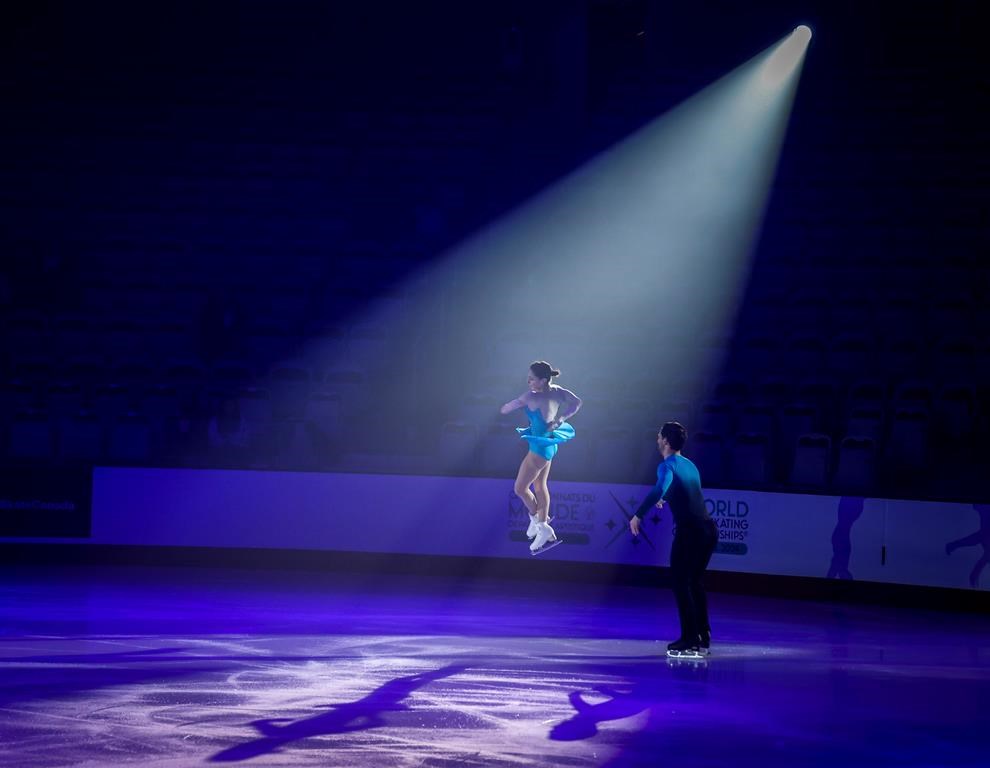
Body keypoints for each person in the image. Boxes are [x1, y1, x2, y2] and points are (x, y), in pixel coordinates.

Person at [630, 421, 717, 657]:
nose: (657, 440)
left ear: (666, 441)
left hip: (690, 532)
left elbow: (661, 487)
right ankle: (703, 634)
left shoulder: (666, 465)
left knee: (680, 582)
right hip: (709, 530)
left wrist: (638, 514)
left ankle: (689, 638)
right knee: (695, 581)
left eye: (659, 436)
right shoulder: (690, 465)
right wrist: (666, 498)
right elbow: (682, 490)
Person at [500, 361, 582, 554]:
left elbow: (506, 409)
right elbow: (577, 402)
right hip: (548, 446)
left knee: (520, 488)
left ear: (542, 380)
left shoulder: (530, 397)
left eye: (532, 378)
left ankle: (539, 523)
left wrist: (506, 406)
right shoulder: (557, 390)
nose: (528, 381)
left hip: (538, 450)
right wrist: (562, 418)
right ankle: (542, 524)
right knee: (539, 486)